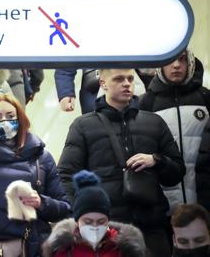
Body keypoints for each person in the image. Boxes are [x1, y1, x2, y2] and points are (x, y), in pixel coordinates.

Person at [57, 69, 186, 257]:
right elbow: (66, 175)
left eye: (130, 79)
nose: (127, 83)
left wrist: (156, 160)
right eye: (119, 79)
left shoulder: (154, 122)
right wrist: (82, 215)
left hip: (151, 226)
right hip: (107, 230)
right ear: (103, 84)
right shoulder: (83, 126)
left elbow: (177, 171)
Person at [0, 94, 70, 257]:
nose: (4, 121)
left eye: (10, 116)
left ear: (21, 118)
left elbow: (65, 208)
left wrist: (42, 203)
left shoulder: (41, 157)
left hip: (37, 247)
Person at [140, 49, 210, 213]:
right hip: (165, 203)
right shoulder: (147, 103)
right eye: (169, 60)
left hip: (204, 198)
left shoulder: (205, 97)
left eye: (182, 59)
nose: (176, 65)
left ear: (190, 62)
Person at [42, 170, 146, 257]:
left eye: (101, 221)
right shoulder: (62, 249)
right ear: (77, 222)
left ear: (108, 221)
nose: (95, 226)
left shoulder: (123, 249)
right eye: (88, 222)